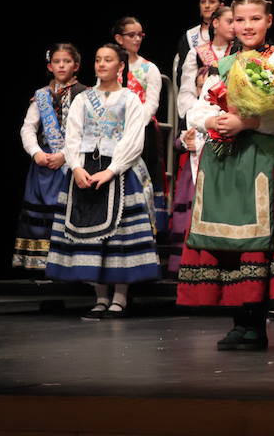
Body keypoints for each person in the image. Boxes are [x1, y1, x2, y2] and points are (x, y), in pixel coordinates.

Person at [178, 0, 274, 351]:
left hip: (261, 162)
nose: (247, 26)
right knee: (228, 241)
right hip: (225, 162)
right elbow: (196, 111)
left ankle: (256, 322)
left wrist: (247, 122)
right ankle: (238, 320)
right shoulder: (221, 64)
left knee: (256, 243)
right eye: (240, 19)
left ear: (268, 21)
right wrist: (214, 120)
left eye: (254, 19)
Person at [45, 43, 160, 319]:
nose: (101, 64)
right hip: (86, 168)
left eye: (108, 60)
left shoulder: (130, 99)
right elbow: (71, 134)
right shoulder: (84, 99)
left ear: (120, 66)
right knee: (92, 235)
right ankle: (100, 297)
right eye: (98, 60)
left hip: (118, 171)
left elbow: (134, 139)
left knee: (120, 237)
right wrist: (75, 166)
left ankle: (120, 297)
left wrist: (112, 170)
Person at [15, 44, 87, 270]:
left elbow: (89, 131)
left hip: (70, 166)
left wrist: (65, 156)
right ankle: (39, 265)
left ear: (76, 66)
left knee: (66, 213)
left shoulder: (85, 95)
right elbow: (28, 128)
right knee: (39, 216)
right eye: (57, 62)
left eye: (66, 61)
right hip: (43, 166)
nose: (62, 65)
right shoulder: (42, 96)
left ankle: (68, 264)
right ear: (50, 66)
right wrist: (36, 152)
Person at [113, 17, 168, 234]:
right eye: (131, 35)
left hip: (142, 134)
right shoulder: (112, 66)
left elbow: (151, 104)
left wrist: (134, 127)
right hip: (114, 133)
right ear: (119, 38)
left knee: (142, 178)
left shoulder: (148, 68)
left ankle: (146, 228)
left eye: (140, 35)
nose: (137, 39)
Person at [166, 67, 209, 276]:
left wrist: (199, 145)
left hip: (210, 173)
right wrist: (184, 141)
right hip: (190, 177)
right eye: (200, 86)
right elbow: (177, 141)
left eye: (208, 85)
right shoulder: (193, 111)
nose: (204, 90)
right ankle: (182, 265)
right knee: (187, 217)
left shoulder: (222, 109)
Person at [177, 5, 237, 120]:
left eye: (236, 22)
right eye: (229, 22)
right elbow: (187, 91)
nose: (234, 26)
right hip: (201, 115)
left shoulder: (238, 54)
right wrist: (195, 117)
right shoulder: (196, 53)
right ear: (215, 23)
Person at [176, 0, 222, 103]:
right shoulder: (190, 36)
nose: (207, 6)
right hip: (196, 93)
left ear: (221, 6)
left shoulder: (230, 33)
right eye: (203, 2)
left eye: (211, 2)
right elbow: (182, 73)